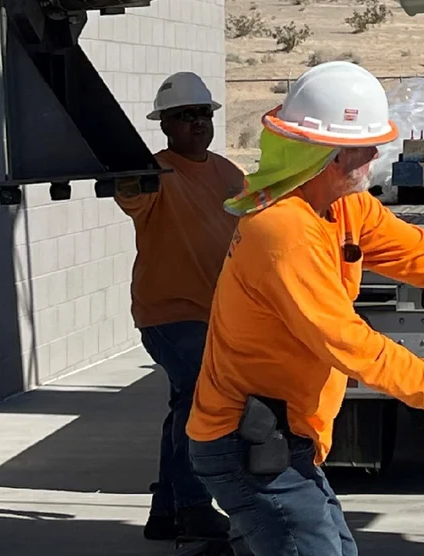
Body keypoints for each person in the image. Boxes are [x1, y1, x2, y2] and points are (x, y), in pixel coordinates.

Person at [187, 61, 424, 556]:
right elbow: (346, 341)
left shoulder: (341, 207)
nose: (376, 155)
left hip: (284, 439)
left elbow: (418, 251)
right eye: (366, 146)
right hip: (249, 444)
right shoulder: (283, 228)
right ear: (329, 157)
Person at [115, 71, 244, 542]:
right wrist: (123, 173)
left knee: (184, 404)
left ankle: (165, 510)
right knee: (199, 395)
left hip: (216, 314)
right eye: (184, 116)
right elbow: (129, 193)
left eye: (203, 114)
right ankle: (192, 507)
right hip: (169, 313)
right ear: (166, 126)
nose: (197, 123)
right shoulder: (154, 173)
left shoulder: (229, 174)